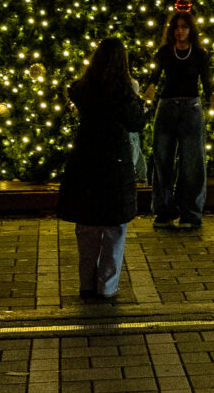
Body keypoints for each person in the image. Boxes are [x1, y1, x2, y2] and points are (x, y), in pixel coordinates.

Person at [56, 36, 147, 302]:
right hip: (114, 163)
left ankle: (86, 283)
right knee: (115, 229)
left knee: (87, 227)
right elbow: (136, 122)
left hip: (85, 161)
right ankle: (107, 286)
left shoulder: (83, 88)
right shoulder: (124, 90)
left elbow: (74, 93)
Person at [151, 9, 212, 231]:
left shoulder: (200, 54)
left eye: (184, 27)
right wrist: (148, 90)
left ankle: (191, 213)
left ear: (190, 30)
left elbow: (206, 80)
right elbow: (155, 77)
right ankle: (164, 211)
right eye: (176, 27)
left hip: (191, 108)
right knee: (162, 159)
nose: (180, 31)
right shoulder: (165, 52)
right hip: (166, 106)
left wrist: (212, 96)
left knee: (193, 162)